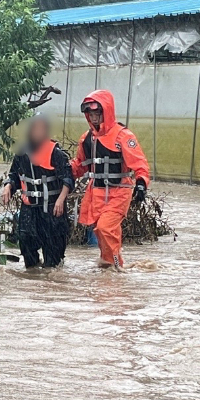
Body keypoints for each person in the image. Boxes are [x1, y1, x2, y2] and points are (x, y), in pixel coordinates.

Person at [70, 89, 150, 271]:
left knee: (106, 228)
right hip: (95, 194)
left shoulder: (123, 136)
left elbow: (139, 164)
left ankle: (117, 267)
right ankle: (108, 269)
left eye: (97, 113)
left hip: (119, 192)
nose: (94, 117)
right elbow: (80, 165)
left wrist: (141, 184)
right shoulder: (86, 139)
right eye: (91, 114)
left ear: (106, 111)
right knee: (100, 231)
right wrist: (61, 171)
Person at [2, 114, 74, 268]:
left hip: (52, 210)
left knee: (52, 261)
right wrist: (8, 185)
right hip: (29, 210)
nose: (38, 132)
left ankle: (51, 281)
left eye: (42, 129)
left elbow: (68, 179)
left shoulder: (56, 153)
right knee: (27, 247)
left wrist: (61, 200)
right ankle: (32, 280)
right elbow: (14, 175)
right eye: (35, 128)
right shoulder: (22, 153)